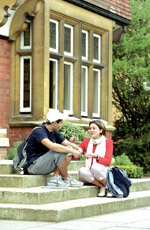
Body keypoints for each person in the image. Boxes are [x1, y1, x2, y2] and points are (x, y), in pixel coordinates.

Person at [24, 110, 83, 187]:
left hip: (45, 164)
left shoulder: (53, 132)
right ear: (54, 123)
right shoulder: (39, 131)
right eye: (61, 122)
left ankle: (55, 178)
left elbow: (67, 143)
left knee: (68, 149)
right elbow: (52, 146)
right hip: (33, 166)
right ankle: (65, 177)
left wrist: (78, 149)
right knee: (60, 151)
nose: (62, 125)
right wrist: (72, 151)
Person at [78, 120, 113, 197]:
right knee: (82, 171)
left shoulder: (108, 142)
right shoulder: (86, 142)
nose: (91, 130)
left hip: (102, 171)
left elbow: (108, 162)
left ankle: (110, 188)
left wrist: (96, 156)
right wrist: (73, 145)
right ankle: (104, 186)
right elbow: (76, 155)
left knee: (95, 166)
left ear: (101, 130)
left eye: (94, 128)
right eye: (90, 129)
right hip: (90, 174)